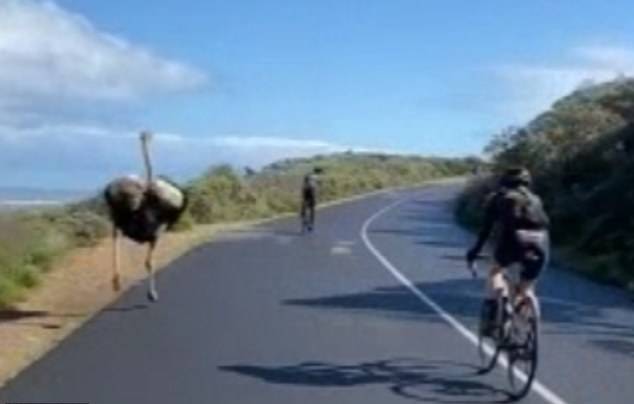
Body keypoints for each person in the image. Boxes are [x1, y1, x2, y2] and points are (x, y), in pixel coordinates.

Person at [466, 167, 550, 332]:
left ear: (504, 183)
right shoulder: (536, 199)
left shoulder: (499, 198)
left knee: (495, 272)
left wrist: (474, 252)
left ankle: (497, 307)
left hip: (511, 243)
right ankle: (528, 323)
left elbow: (486, 230)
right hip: (540, 243)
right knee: (526, 287)